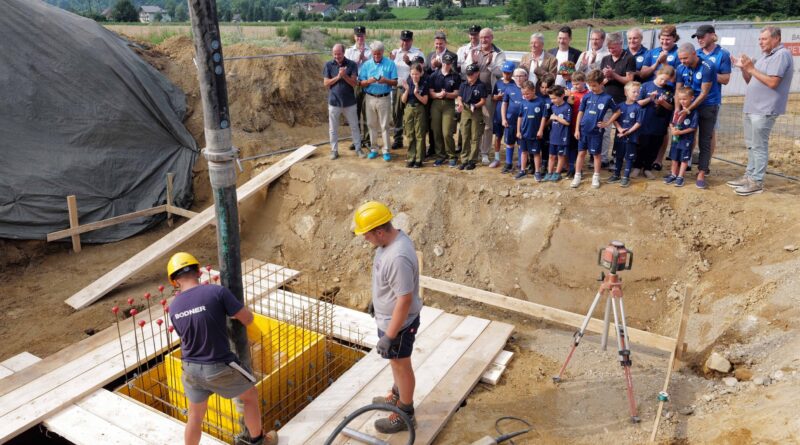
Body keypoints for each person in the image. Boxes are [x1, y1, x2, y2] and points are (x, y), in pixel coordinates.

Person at [166, 252, 278, 445]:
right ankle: (260, 441)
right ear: (198, 272)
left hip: (190, 368)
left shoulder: (174, 307)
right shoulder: (216, 292)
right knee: (250, 395)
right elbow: (247, 319)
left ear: (175, 281)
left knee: (195, 415)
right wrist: (229, 312)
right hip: (217, 365)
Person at [353, 201, 422, 435]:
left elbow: (404, 299)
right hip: (389, 320)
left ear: (380, 232)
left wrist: (390, 336)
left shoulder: (398, 256)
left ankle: (405, 413)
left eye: (367, 234)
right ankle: (397, 394)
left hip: (399, 325)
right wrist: (378, 301)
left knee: (402, 365)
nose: (365, 238)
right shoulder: (389, 243)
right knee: (395, 362)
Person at [729, 26, 794, 196]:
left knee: (759, 146)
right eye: (759, 39)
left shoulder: (781, 55)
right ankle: (749, 176)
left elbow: (773, 83)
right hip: (752, 107)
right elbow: (751, 81)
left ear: (776, 38)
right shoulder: (765, 56)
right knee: (752, 145)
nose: (760, 42)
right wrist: (744, 68)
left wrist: (751, 68)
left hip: (765, 109)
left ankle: (756, 182)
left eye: (764, 39)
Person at [675, 42, 718, 189]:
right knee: (686, 137)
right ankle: (681, 168)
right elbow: (678, 90)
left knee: (705, 140)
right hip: (688, 107)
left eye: (685, 58)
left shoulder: (707, 66)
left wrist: (688, 109)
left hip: (707, 106)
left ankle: (701, 172)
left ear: (694, 54)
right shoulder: (680, 68)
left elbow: (704, 93)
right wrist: (677, 109)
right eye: (680, 59)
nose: (683, 61)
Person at [464, 28, 506, 165]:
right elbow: (464, 69)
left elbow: (501, 73)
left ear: (491, 38)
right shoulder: (473, 51)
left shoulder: (498, 53)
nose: (483, 40)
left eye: (486, 37)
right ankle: (473, 152)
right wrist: (472, 64)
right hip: (473, 93)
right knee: (473, 123)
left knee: (487, 125)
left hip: (488, 94)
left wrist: (490, 65)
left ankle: (484, 153)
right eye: (481, 37)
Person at [573, 70, 618, 189]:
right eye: (590, 85)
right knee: (581, 153)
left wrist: (607, 123)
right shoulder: (587, 96)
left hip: (596, 132)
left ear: (601, 83)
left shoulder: (607, 98)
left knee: (596, 155)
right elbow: (580, 112)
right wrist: (577, 129)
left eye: (594, 85)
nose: (592, 88)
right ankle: (577, 175)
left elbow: (617, 112)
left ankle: (596, 176)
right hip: (583, 130)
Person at [694, 25, 732, 160]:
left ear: (712, 35)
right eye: (698, 37)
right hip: (694, 99)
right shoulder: (696, 54)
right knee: (691, 130)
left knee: (709, 133)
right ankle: (687, 162)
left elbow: (726, 79)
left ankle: (706, 163)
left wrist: (708, 73)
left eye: (702, 36)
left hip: (711, 101)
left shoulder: (723, 54)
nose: (699, 39)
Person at [358, 41, 398, 162]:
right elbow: (360, 83)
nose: (376, 56)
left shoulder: (390, 64)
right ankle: (374, 149)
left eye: (379, 54)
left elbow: (395, 82)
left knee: (384, 125)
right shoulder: (366, 65)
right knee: (371, 124)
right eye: (374, 54)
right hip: (370, 97)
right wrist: (369, 81)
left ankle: (386, 150)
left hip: (384, 98)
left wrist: (385, 80)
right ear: (371, 53)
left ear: (383, 52)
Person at [600, 32, 636, 167]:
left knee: (621, 131)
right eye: (609, 48)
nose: (611, 50)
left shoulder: (629, 58)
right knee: (605, 130)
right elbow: (601, 81)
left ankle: (617, 158)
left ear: (621, 44)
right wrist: (606, 77)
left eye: (613, 47)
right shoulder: (605, 59)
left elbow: (630, 80)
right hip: (606, 99)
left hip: (622, 100)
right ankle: (603, 158)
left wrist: (613, 74)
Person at [634, 66, 675, 179]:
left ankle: (647, 168)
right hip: (645, 121)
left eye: (666, 80)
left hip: (660, 123)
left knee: (655, 146)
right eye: (662, 79)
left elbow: (671, 107)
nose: (663, 82)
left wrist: (662, 103)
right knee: (642, 145)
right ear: (657, 73)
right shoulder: (646, 85)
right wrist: (650, 99)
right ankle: (637, 166)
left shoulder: (669, 89)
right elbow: (638, 103)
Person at [324, 44, 362, 160]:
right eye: (335, 54)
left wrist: (345, 76)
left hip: (349, 102)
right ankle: (334, 150)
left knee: (354, 126)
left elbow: (354, 83)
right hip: (334, 102)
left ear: (343, 53)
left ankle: (358, 149)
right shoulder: (328, 65)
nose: (337, 56)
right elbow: (326, 83)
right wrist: (338, 77)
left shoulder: (352, 64)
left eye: (339, 54)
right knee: (333, 129)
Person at [391, 30, 426, 150]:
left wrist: (409, 63)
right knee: (397, 114)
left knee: (411, 115)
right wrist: (391, 60)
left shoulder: (418, 53)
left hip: (412, 89)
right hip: (397, 87)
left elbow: (421, 69)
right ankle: (398, 139)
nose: (405, 43)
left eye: (407, 40)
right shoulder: (395, 52)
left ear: (411, 41)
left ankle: (413, 141)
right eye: (403, 40)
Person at [609, 82, 644, 187]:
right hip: (619, 137)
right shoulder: (620, 106)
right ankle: (616, 175)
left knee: (629, 157)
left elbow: (638, 123)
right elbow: (614, 119)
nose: (636, 94)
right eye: (634, 92)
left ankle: (626, 177)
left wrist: (628, 132)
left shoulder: (638, 107)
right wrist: (620, 129)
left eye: (638, 92)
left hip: (631, 137)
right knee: (618, 156)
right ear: (626, 92)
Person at [428, 52, 461, 167]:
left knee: (447, 132)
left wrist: (446, 94)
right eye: (445, 63)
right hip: (436, 104)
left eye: (449, 63)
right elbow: (431, 92)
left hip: (448, 104)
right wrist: (438, 95)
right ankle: (440, 156)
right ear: (442, 62)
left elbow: (456, 93)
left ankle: (451, 155)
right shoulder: (434, 75)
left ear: (451, 64)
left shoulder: (455, 76)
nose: (446, 65)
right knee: (436, 131)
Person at [664, 87, 699, 187]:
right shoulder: (677, 111)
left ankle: (680, 177)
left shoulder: (694, 112)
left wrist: (680, 132)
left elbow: (693, 127)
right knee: (674, 157)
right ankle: (673, 174)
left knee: (684, 159)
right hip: (676, 140)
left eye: (684, 99)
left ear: (692, 98)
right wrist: (672, 129)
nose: (682, 101)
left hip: (686, 140)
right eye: (680, 99)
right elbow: (671, 122)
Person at [455, 63, 487, 171]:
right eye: (468, 74)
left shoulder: (481, 85)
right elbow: (459, 97)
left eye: (471, 74)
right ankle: (464, 159)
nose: (469, 76)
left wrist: (475, 105)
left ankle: (472, 160)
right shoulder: (463, 84)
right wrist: (460, 104)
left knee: (475, 136)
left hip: (475, 111)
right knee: (464, 135)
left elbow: (483, 100)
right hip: (465, 110)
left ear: (477, 73)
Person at [345, 26, 372, 151]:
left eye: (362, 36)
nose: (360, 38)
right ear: (354, 37)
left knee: (367, 113)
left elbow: (374, 67)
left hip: (367, 84)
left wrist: (365, 60)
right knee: (354, 113)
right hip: (354, 85)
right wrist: (358, 60)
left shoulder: (371, 51)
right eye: (358, 36)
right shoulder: (349, 51)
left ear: (365, 36)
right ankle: (356, 140)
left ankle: (367, 140)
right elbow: (346, 69)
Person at [515, 81, 547, 181]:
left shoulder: (541, 102)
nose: (525, 96)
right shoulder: (523, 102)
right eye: (523, 94)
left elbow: (544, 117)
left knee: (536, 153)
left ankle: (537, 172)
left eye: (527, 94)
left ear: (533, 91)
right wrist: (518, 131)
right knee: (523, 152)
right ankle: (522, 170)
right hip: (524, 133)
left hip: (535, 133)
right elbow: (520, 117)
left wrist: (541, 130)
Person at [489, 61, 517, 168]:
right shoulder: (498, 83)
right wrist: (496, 97)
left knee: (511, 137)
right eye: (504, 72)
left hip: (510, 115)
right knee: (498, 136)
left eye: (508, 73)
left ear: (512, 73)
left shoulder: (515, 84)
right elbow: (493, 97)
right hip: (498, 113)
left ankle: (510, 160)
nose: (506, 75)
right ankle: (497, 158)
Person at [401, 63, 429, 168]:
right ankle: (411, 157)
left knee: (419, 134)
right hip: (409, 108)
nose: (414, 76)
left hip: (419, 108)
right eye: (412, 74)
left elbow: (425, 101)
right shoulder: (407, 82)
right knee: (410, 134)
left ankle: (419, 159)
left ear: (420, 73)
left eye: (416, 74)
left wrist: (416, 93)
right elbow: (403, 100)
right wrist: (407, 90)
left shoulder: (424, 83)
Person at [501, 68, 526, 173]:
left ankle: (521, 164)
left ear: (525, 77)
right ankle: (508, 163)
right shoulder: (509, 88)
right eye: (516, 76)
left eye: (521, 76)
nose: (518, 78)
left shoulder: (528, 88)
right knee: (509, 142)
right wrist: (503, 118)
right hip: (510, 120)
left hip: (524, 121)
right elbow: (504, 104)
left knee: (521, 143)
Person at [545, 85, 572, 182]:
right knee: (551, 156)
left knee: (561, 156)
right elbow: (550, 119)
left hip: (562, 136)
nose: (552, 100)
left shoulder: (567, 107)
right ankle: (549, 172)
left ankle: (557, 173)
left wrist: (556, 118)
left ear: (562, 96)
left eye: (554, 98)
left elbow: (567, 122)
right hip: (553, 135)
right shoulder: (553, 107)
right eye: (551, 98)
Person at [567, 71, 589, 177]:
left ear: (584, 82)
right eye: (573, 84)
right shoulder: (572, 94)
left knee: (581, 149)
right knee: (572, 147)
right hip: (572, 124)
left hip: (583, 125)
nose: (575, 86)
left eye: (577, 84)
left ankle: (579, 168)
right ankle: (571, 167)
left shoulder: (588, 94)